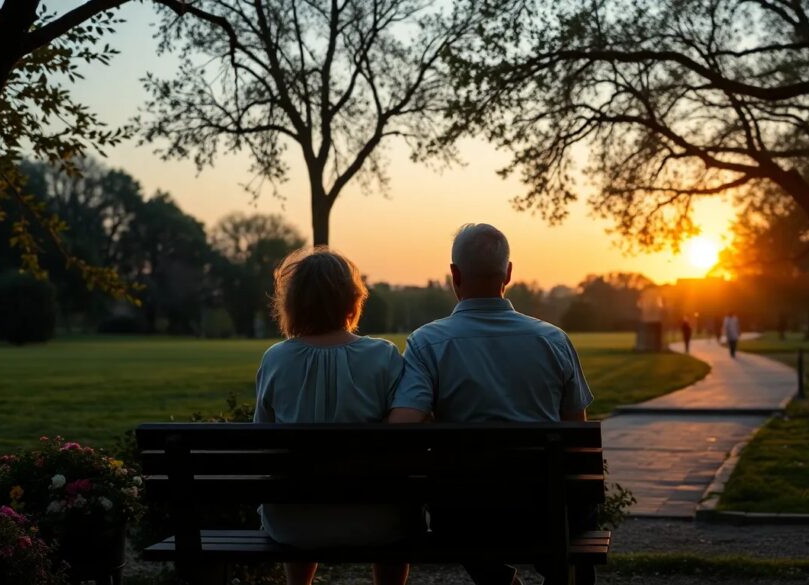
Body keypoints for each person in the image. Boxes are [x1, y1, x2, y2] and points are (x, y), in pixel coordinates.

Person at [388, 223, 595, 585]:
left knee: (459, 513)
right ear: (509, 273)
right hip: (546, 513)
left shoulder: (427, 342)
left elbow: (403, 427)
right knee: (572, 517)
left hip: (465, 518)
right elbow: (576, 431)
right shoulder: (553, 340)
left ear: (454, 274)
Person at [254, 247, 410, 585]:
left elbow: (262, 444)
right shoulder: (383, 356)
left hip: (293, 522)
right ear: (353, 300)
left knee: (294, 491)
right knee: (397, 503)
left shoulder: (275, 359)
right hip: (376, 521)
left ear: (293, 303)